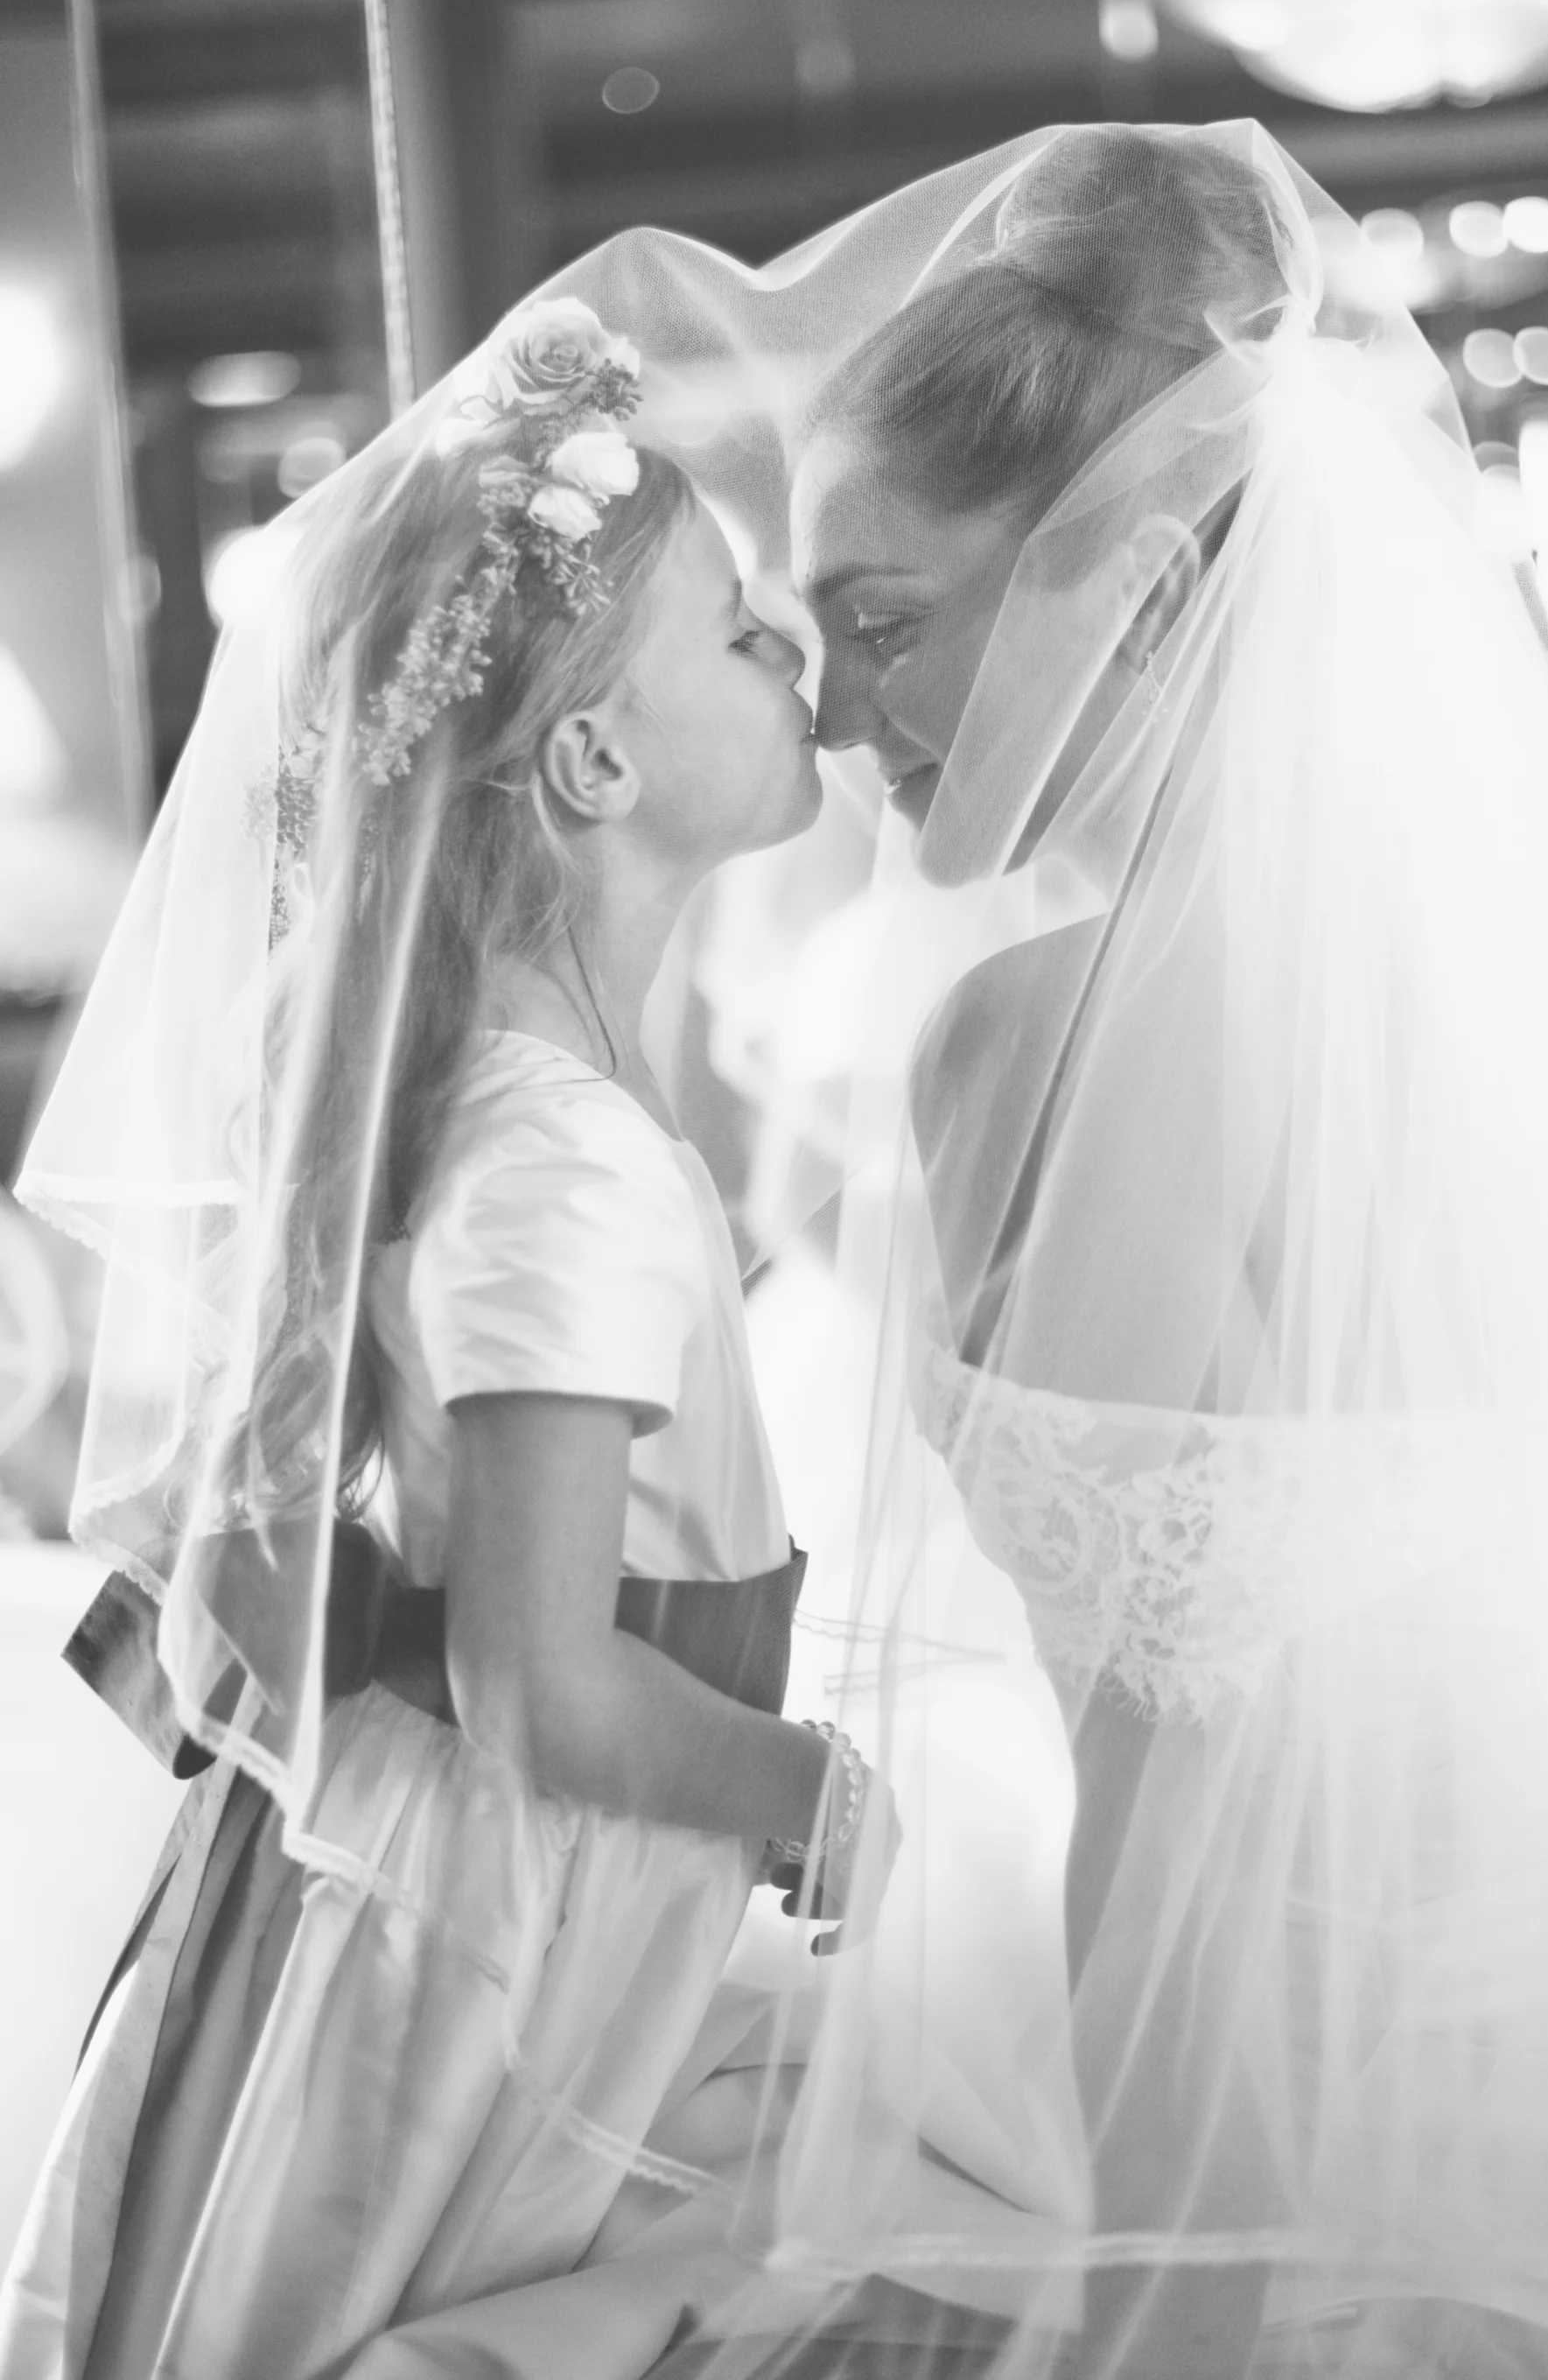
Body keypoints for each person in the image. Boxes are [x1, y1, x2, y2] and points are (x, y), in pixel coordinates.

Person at [753, 123, 1548, 2380]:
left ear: (1133, 581)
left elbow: (1188, 1830)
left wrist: (1165, 2309)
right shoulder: (1539, 1014)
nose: (833, 720)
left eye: (882, 626)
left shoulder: (1073, 1032)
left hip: (1309, 2187)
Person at [0, 297, 897, 2380]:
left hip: (465, 1878)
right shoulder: (561, 1158)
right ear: (593, 762)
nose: (797, 654)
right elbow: (539, 1686)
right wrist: (816, 1789)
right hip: (495, 1919)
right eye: (740, 631)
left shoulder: (502, 1090)